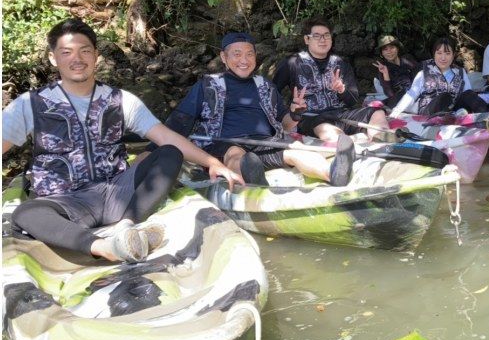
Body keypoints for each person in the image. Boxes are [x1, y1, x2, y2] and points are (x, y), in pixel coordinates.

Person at [2, 18, 243, 264]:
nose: (77, 59)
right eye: (66, 52)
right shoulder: (29, 104)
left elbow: (164, 135)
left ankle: (127, 227)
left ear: (96, 55)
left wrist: (213, 162)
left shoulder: (120, 99)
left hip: (117, 192)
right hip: (64, 202)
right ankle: (102, 246)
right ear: (53, 58)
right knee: (26, 212)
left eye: (85, 51)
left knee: (169, 152)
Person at [163, 32, 355, 187]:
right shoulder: (207, 85)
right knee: (236, 155)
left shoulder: (265, 85)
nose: (244, 60)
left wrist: (296, 113)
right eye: (236, 54)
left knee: (296, 151)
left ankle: (333, 174)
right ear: (224, 57)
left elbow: (285, 124)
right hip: (223, 143)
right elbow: (180, 121)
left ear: (255, 56)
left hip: (264, 142)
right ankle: (254, 180)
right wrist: (154, 148)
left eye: (249, 54)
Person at [274, 18, 389, 142]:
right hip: (311, 117)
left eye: (326, 35)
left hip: (340, 114)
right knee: (325, 129)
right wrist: (290, 111)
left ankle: (381, 140)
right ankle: (350, 141)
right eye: (317, 36)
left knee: (377, 113)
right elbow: (273, 93)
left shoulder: (341, 63)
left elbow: (353, 100)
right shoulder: (292, 63)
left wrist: (342, 90)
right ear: (307, 39)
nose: (323, 40)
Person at [389, 36, 489, 117]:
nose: (443, 58)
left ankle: (488, 116)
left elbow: (467, 95)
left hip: (455, 110)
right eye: (439, 53)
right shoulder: (423, 73)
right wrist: (396, 111)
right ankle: (454, 116)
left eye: (447, 53)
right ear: (434, 55)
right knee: (445, 97)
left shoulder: (460, 72)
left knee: (469, 94)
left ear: (453, 55)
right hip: (430, 112)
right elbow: (411, 94)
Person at [373, 34, 419, 109]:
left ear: (397, 49)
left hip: (415, 92)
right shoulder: (382, 68)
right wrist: (386, 74)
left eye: (392, 47)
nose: (389, 52)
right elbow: (389, 94)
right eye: (385, 49)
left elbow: (420, 74)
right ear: (382, 54)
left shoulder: (407, 60)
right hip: (399, 99)